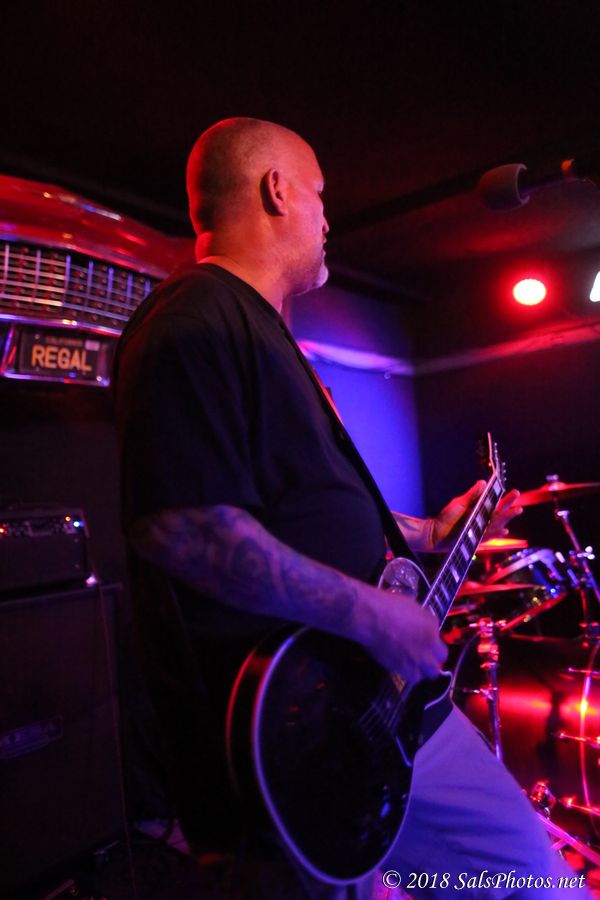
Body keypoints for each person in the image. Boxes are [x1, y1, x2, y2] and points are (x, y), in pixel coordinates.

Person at [112, 118, 587, 899]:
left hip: (369, 714)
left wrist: (430, 532)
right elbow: (183, 528)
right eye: (321, 194)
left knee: (525, 882)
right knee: (531, 883)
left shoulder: (266, 337)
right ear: (276, 190)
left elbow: (301, 503)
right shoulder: (193, 318)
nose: (329, 219)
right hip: (301, 734)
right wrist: (372, 615)